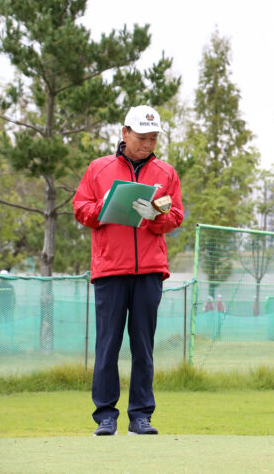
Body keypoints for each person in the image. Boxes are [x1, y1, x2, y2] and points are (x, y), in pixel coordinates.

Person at [73, 106, 184, 437]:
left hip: (150, 270)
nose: (148, 144)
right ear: (124, 133)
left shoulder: (166, 173)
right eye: (142, 138)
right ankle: (106, 416)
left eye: (153, 139)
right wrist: (104, 205)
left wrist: (155, 215)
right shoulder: (98, 169)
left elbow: (175, 215)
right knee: (107, 344)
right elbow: (81, 209)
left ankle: (141, 416)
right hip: (109, 270)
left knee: (143, 346)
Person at [0, 270, 16, 349]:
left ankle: (8, 341)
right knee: (8, 323)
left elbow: (13, 297)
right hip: (5, 308)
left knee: (5, 323)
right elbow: (14, 297)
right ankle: (9, 340)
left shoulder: (2, 286)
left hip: (2, 308)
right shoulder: (10, 286)